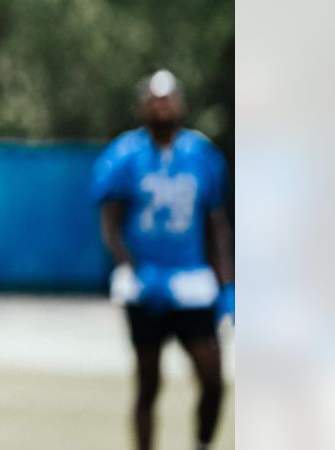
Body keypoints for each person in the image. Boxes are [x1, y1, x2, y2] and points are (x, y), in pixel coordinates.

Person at [92, 69, 234, 450]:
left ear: (181, 104)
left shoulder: (201, 155)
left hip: (191, 280)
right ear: (142, 106)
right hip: (146, 283)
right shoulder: (124, 155)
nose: (162, 106)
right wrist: (132, 267)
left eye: (168, 98)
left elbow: (215, 225)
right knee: (148, 381)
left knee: (213, 377)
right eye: (155, 99)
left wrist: (227, 285)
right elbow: (111, 222)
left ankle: (202, 444)